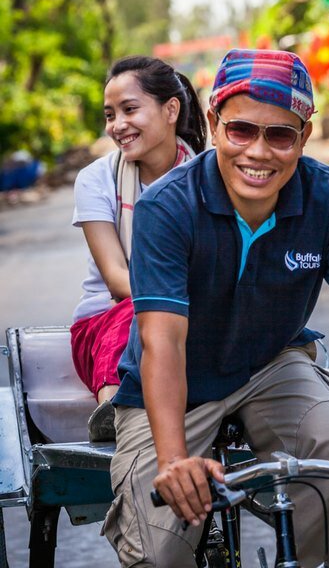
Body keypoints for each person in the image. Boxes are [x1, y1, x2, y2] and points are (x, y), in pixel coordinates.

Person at [104, 48, 329, 568]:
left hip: (270, 363)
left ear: (304, 136)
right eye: (240, 130)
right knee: (158, 545)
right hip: (171, 382)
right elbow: (161, 339)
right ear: (212, 124)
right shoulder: (166, 207)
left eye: (281, 135)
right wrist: (173, 461)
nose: (259, 152)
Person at [71, 55, 207, 441]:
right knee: (142, 310)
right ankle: (115, 407)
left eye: (130, 109)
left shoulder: (210, 178)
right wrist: (183, 302)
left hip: (194, 319)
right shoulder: (96, 180)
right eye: (110, 114)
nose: (117, 125)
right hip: (108, 322)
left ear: (171, 109)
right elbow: (116, 279)